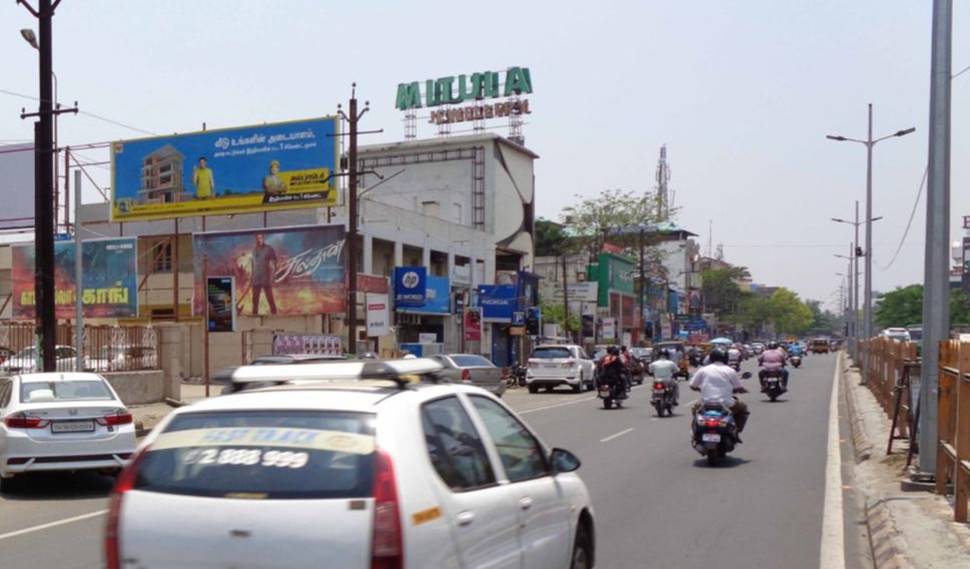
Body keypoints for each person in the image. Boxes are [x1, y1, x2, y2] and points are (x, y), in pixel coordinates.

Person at [689, 347, 749, 435]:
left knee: (695, 410)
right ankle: (737, 430)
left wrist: (700, 389)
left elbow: (692, 385)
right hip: (726, 403)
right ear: (725, 357)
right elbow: (738, 387)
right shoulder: (730, 370)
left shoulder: (703, 369)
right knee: (743, 408)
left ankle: (695, 431)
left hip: (706, 403)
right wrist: (743, 390)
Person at [251, 233, 278, 315]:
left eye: (260, 238)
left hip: (265, 277)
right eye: (257, 238)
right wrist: (252, 276)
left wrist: (272, 274)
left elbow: (274, 261)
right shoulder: (254, 250)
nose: (259, 240)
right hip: (256, 278)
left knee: (270, 298)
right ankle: (254, 315)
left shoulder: (268, 249)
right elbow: (253, 264)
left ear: (263, 238)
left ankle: (274, 313)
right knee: (255, 300)